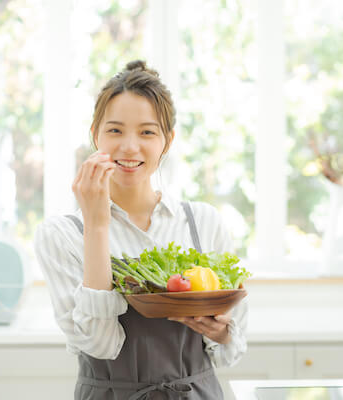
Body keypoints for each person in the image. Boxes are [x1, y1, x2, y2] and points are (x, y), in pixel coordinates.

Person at [34, 60, 248, 399]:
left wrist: (221, 332)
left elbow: (230, 352)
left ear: (167, 141)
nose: (130, 147)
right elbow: (101, 344)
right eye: (115, 130)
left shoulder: (203, 223)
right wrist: (96, 224)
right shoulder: (62, 234)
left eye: (147, 132)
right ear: (95, 135)